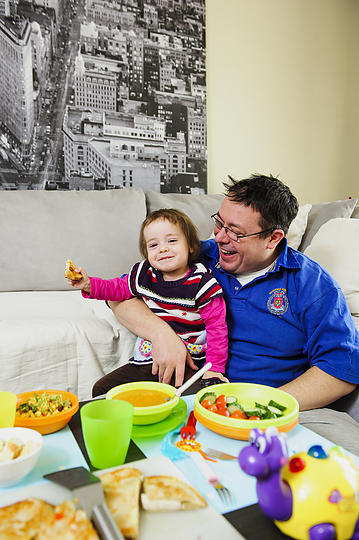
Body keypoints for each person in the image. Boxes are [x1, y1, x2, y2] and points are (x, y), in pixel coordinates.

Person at [108, 174, 359, 453]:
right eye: (219, 223)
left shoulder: (313, 286)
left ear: (273, 238)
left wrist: (263, 405)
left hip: (278, 411)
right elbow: (119, 294)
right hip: (191, 398)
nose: (219, 237)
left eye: (235, 232)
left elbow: (341, 370)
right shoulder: (198, 255)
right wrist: (161, 334)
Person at [67, 208, 228, 395]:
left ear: (191, 246)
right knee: (102, 390)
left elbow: (217, 328)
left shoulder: (203, 283)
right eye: (153, 245)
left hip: (187, 365)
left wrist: (214, 369)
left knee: (191, 397)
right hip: (149, 361)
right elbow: (117, 288)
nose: (163, 249)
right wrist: (88, 284)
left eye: (172, 241)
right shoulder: (143, 273)